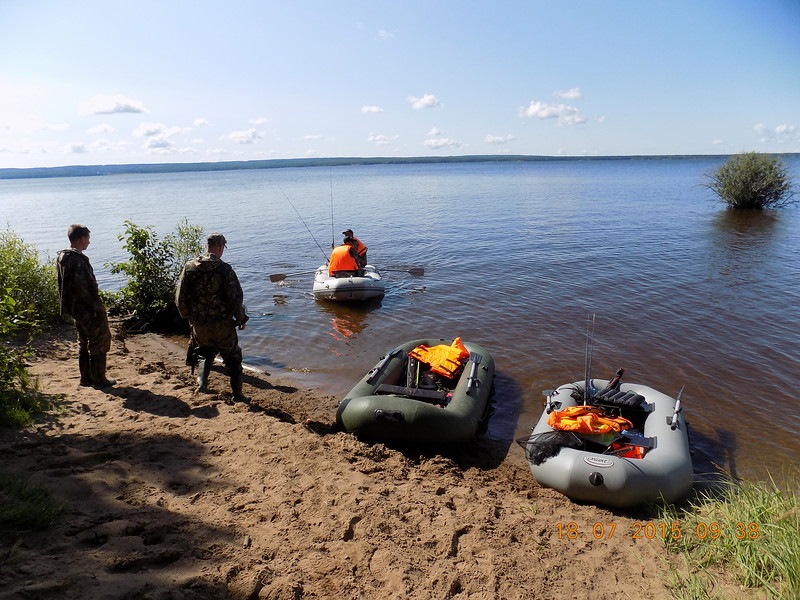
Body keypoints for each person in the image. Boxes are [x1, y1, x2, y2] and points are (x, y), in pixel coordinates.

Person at [175, 233, 250, 402]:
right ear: (221, 247)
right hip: (222, 325)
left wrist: (188, 317)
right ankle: (238, 395)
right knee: (233, 357)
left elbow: (180, 297)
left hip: (199, 324)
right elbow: (236, 298)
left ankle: (202, 385)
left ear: (207, 245)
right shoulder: (224, 269)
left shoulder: (189, 267)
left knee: (204, 352)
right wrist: (241, 319)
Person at [56, 224, 116, 388]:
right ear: (81, 239)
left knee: (83, 342)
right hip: (87, 310)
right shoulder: (77, 260)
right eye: (87, 238)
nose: (89, 242)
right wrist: (97, 308)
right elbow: (84, 289)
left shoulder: (63, 257)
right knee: (99, 341)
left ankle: (86, 378)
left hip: (75, 309)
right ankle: (99, 380)